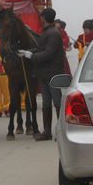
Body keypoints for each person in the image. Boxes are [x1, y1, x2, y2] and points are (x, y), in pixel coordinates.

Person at [19, 7, 65, 141]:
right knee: (46, 103)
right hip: (44, 74)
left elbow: (48, 53)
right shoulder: (47, 33)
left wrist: (31, 56)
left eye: (41, 16)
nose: (40, 18)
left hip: (53, 75)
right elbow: (41, 49)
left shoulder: (53, 34)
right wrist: (27, 52)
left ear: (44, 18)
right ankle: (47, 131)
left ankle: (61, 130)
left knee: (57, 102)